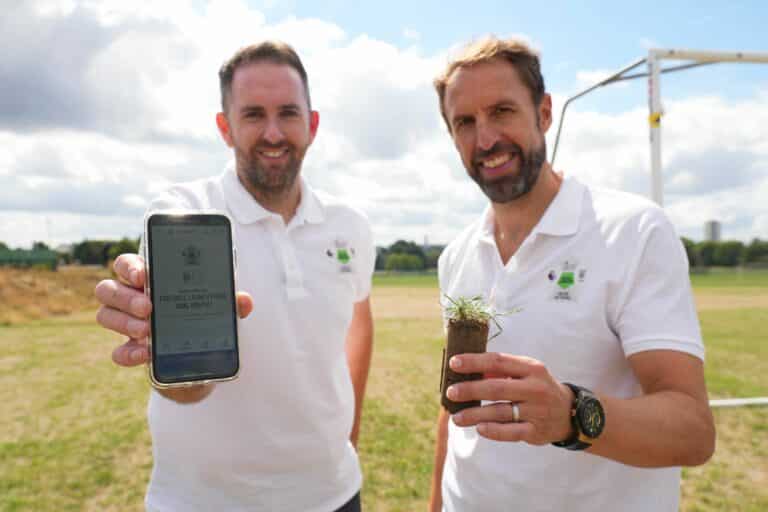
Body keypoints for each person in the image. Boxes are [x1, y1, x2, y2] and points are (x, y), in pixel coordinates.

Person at [428, 36, 715, 512]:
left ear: (543, 113)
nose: (485, 139)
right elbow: (456, 404)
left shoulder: (633, 231)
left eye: (502, 111)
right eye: (465, 122)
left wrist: (571, 416)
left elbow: (693, 430)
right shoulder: (457, 255)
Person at [94, 41, 375, 512]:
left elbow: (359, 326)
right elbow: (187, 389)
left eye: (288, 113)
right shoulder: (181, 214)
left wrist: (349, 435)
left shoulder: (351, 224)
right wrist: (170, 353)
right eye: (252, 115)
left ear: (313, 123)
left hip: (334, 496)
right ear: (225, 127)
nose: (272, 132)